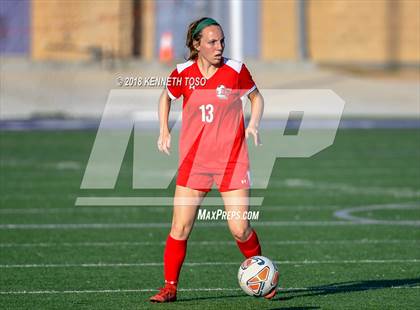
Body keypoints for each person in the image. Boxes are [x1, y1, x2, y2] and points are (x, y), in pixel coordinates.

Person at [150, 17, 271, 303]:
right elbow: (165, 97)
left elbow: (257, 98)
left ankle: (263, 277)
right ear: (197, 45)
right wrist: (163, 129)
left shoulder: (236, 70)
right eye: (212, 42)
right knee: (179, 227)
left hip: (232, 161)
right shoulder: (181, 73)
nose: (219, 47)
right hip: (195, 163)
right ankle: (170, 287)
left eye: (222, 41)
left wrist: (253, 123)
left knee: (240, 228)